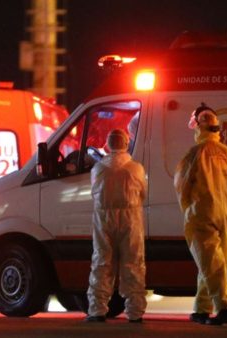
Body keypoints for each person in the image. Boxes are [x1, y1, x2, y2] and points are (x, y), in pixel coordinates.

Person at [174, 103, 227, 325]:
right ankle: (202, 309)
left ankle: (225, 308)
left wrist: (188, 210)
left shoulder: (195, 154)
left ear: (199, 128)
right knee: (214, 264)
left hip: (203, 215)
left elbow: (181, 186)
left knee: (211, 264)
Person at [85, 129, 147, 323]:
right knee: (133, 263)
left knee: (102, 262)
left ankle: (97, 310)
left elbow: (94, 193)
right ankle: (135, 312)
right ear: (126, 143)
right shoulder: (136, 168)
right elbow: (143, 194)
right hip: (131, 219)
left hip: (104, 219)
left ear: (108, 144)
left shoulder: (99, 169)